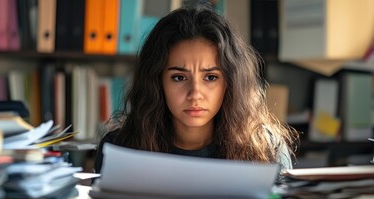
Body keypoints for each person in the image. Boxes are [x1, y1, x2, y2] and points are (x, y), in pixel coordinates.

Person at [94, 5, 298, 174]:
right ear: (157, 82)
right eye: (179, 77)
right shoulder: (119, 149)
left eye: (210, 77)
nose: (195, 94)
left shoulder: (266, 149)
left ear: (231, 83)